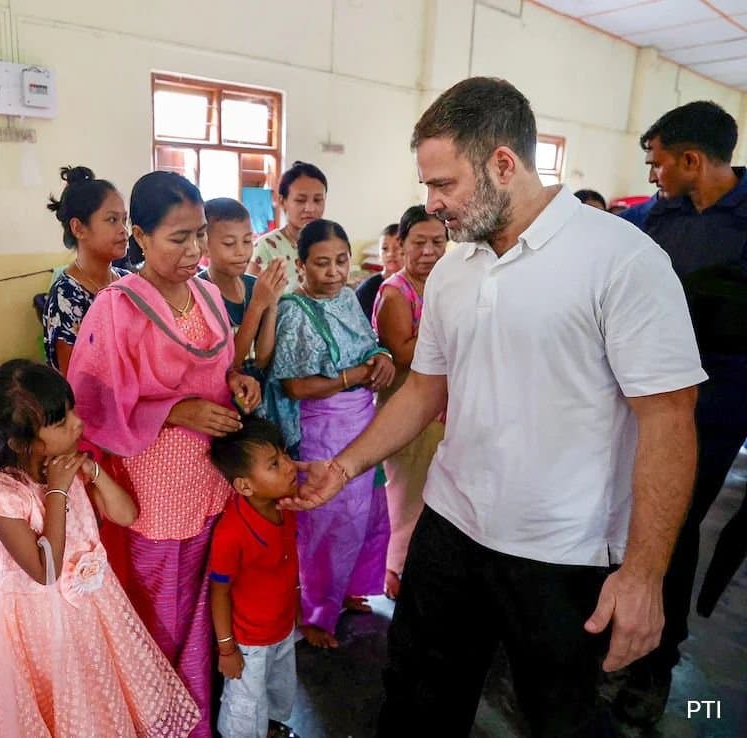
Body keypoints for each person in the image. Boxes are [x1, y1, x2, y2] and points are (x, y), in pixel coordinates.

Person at [287, 77, 706, 737]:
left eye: (444, 184)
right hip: (451, 527)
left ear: (504, 165)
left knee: (558, 714)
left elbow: (669, 420)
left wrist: (644, 573)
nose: (432, 204)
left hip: (562, 551)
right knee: (419, 700)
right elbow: (426, 388)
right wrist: (342, 468)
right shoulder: (456, 269)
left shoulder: (621, 261)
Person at [68, 171, 263, 738]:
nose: (195, 250)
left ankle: (193, 717)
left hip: (209, 478)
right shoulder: (117, 307)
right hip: (154, 489)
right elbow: (93, 399)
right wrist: (176, 411)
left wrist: (239, 381)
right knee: (158, 611)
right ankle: (153, 720)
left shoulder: (204, 293)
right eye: (179, 237)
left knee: (205, 606)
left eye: (200, 234)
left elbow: (218, 370)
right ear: (140, 236)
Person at [0, 360, 199, 737]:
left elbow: (126, 514)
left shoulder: (64, 466)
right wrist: (58, 489)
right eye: (61, 421)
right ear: (21, 442)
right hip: (33, 626)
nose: (77, 424)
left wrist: (92, 473)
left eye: (71, 411)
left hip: (89, 612)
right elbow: (45, 570)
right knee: (52, 707)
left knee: (93, 703)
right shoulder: (0, 494)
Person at [614, 99, 747, 724]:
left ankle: (655, 666)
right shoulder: (650, 221)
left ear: (692, 160)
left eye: (658, 163)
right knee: (618, 512)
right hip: (638, 395)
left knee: (674, 523)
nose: (652, 175)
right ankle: (613, 633)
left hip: (716, 406)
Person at [265, 218, 394, 641]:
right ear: (301, 266)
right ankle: (316, 612)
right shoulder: (293, 310)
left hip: (362, 420)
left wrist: (381, 357)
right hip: (325, 428)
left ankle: (351, 590)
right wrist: (352, 376)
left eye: (341, 261)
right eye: (323, 264)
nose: (335, 272)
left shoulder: (348, 297)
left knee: (369, 512)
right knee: (330, 522)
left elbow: (367, 340)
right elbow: (294, 384)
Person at [371, 205, 448, 600]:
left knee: (436, 495)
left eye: (438, 242)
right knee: (407, 500)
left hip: (442, 410)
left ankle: (421, 572)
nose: (429, 251)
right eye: (419, 243)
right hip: (407, 408)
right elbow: (402, 352)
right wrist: (453, 327)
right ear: (401, 245)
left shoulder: (446, 285)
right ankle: (396, 574)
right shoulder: (395, 292)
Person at [208, 417, 301, 738]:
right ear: (244, 485)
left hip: (282, 628)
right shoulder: (231, 533)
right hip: (249, 643)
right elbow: (219, 592)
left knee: (278, 687)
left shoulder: (283, 506)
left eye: (285, 455)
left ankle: (271, 728)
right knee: (245, 704)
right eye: (275, 464)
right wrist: (226, 649)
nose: (290, 466)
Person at [41, 165, 130, 373]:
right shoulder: (67, 296)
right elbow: (75, 381)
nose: (123, 230)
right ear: (79, 228)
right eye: (112, 220)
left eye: (124, 220)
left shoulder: (128, 283)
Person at [198, 197, 286, 375]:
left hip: (257, 396)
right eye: (229, 244)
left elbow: (262, 360)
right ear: (205, 247)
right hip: (220, 397)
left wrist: (272, 303)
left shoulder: (255, 285)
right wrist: (258, 304)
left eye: (247, 241)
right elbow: (230, 364)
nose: (241, 252)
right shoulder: (199, 293)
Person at [248, 162, 328, 293]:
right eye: (300, 200)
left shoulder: (330, 244)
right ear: (282, 201)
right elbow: (252, 302)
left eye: (318, 200)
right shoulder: (265, 248)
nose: (310, 208)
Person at [355, 223, 402, 318]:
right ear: (378, 256)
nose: (390, 254)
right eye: (385, 249)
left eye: (397, 248)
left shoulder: (415, 284)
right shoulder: (368, 289)